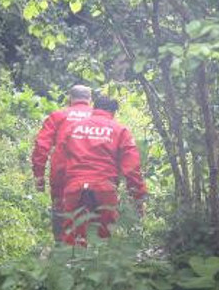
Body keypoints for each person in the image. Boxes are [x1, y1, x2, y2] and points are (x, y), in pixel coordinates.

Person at [57, 95, 147, 246]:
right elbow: (132, 169)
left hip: (74, 188)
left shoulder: (72, 128)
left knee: (71, 240)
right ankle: (100, 264)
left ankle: (72, 266)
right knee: (104, 240)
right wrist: (138, 197)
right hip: (105, 189)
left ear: (94, 107)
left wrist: (57, 193)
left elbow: (59, 163)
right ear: (113, 112)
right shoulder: (120, 130)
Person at [31, 85, 94, 240]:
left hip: (62, 175)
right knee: (91, 214)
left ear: (69, 99)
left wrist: (39, 175)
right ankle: (88, 253)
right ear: (90, 100)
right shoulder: (100, 118)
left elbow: (42, 146)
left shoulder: (58, 116)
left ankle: (61, 250)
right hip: (93, 175)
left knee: (61, 213)